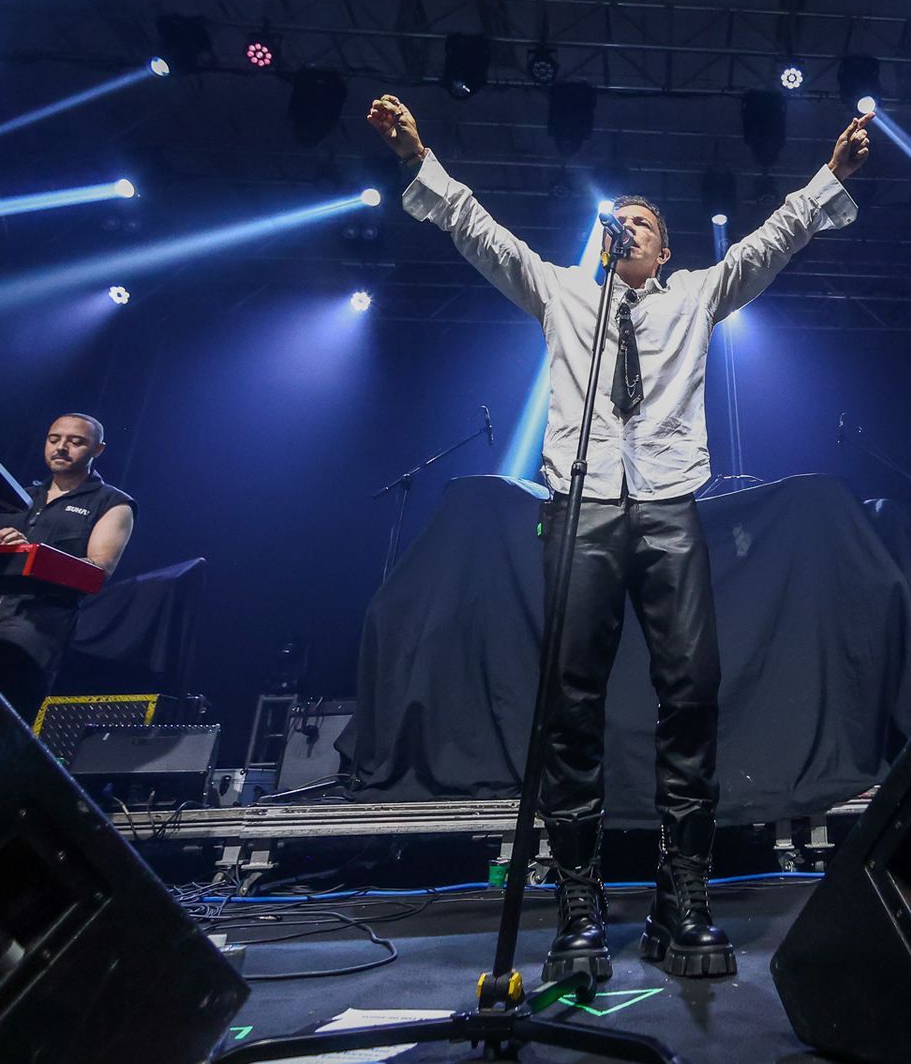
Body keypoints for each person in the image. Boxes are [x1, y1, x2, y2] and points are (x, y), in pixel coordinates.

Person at [368, 92, 871, 983]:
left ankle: (684, 895)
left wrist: (829, 176)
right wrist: (417, 158)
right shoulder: (563, 292)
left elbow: (772, 240)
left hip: (670, 504)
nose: (626, 228)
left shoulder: (698, 295)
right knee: (570, 704)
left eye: (642, 224)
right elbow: (479, 231)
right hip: (583, 503)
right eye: (618, 220)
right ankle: (579, 904)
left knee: (692, 692)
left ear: (664, 249)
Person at [0, 413, 135, 720]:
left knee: (1, 714)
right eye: (54, 439)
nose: (61, 447)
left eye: (75, 442)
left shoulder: (113, 503)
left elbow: (98, 571)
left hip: (36, 624)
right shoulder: (15, 495)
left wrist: (30, 554)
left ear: (97, 450)